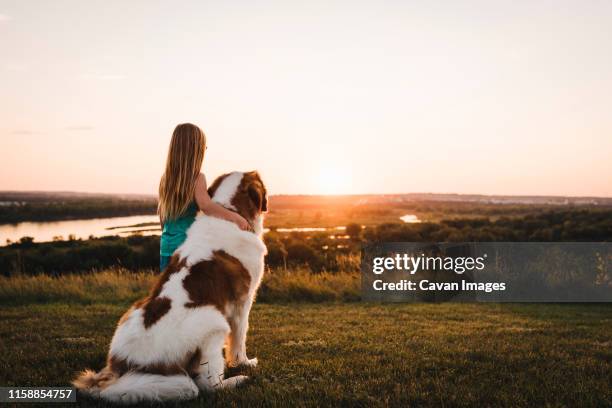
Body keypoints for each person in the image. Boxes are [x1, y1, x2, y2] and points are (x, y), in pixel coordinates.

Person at [158, 123, 249, 271]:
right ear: (195, 149)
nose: (205, 150)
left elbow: (162, 216)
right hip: (187, 248)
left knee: (170, 291)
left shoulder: (165, 179)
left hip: (166, 248)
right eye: (203, 146)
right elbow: (206, 206)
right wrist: (236, 217)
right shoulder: (197, 178)